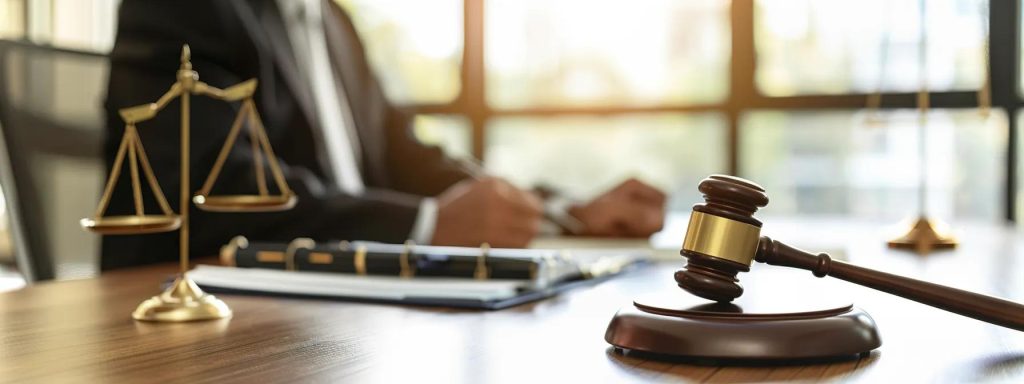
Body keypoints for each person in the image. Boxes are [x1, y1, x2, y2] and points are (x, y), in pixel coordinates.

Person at [101, 0, 665, 270]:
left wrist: (560, 211)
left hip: (355, 310)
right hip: (207, 321)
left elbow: (413, 160)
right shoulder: (183, 9)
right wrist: (428, 225)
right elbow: (215, 188)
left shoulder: (333, 22)